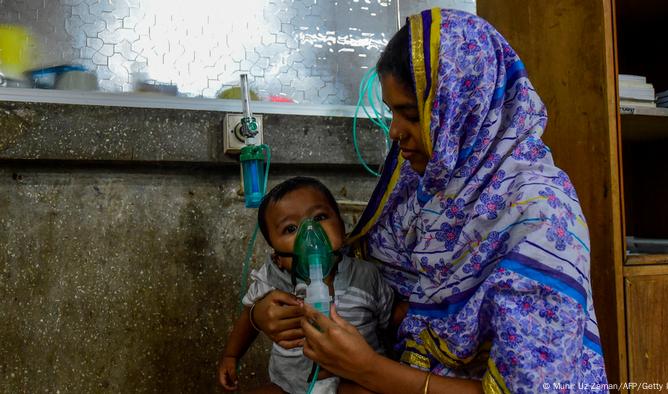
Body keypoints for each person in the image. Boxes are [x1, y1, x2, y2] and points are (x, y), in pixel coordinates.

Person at [252, 8, 609, 394]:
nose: (394, 132)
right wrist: (264, 314)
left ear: (461, 107)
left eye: (410, 114)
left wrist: (369, 369)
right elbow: (358, 281)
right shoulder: (423, 185)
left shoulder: (540, 213)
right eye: (392, 112)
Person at [218, 176, 394, 393]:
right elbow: (249, 318)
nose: (310, 234)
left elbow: (390, 324)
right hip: (291, 387)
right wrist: (231, 355)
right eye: (290, 229)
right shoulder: (272, 279)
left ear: (341, 224)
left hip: (352, 382)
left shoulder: (366, 276)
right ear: (277, 256)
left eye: (320, 217)